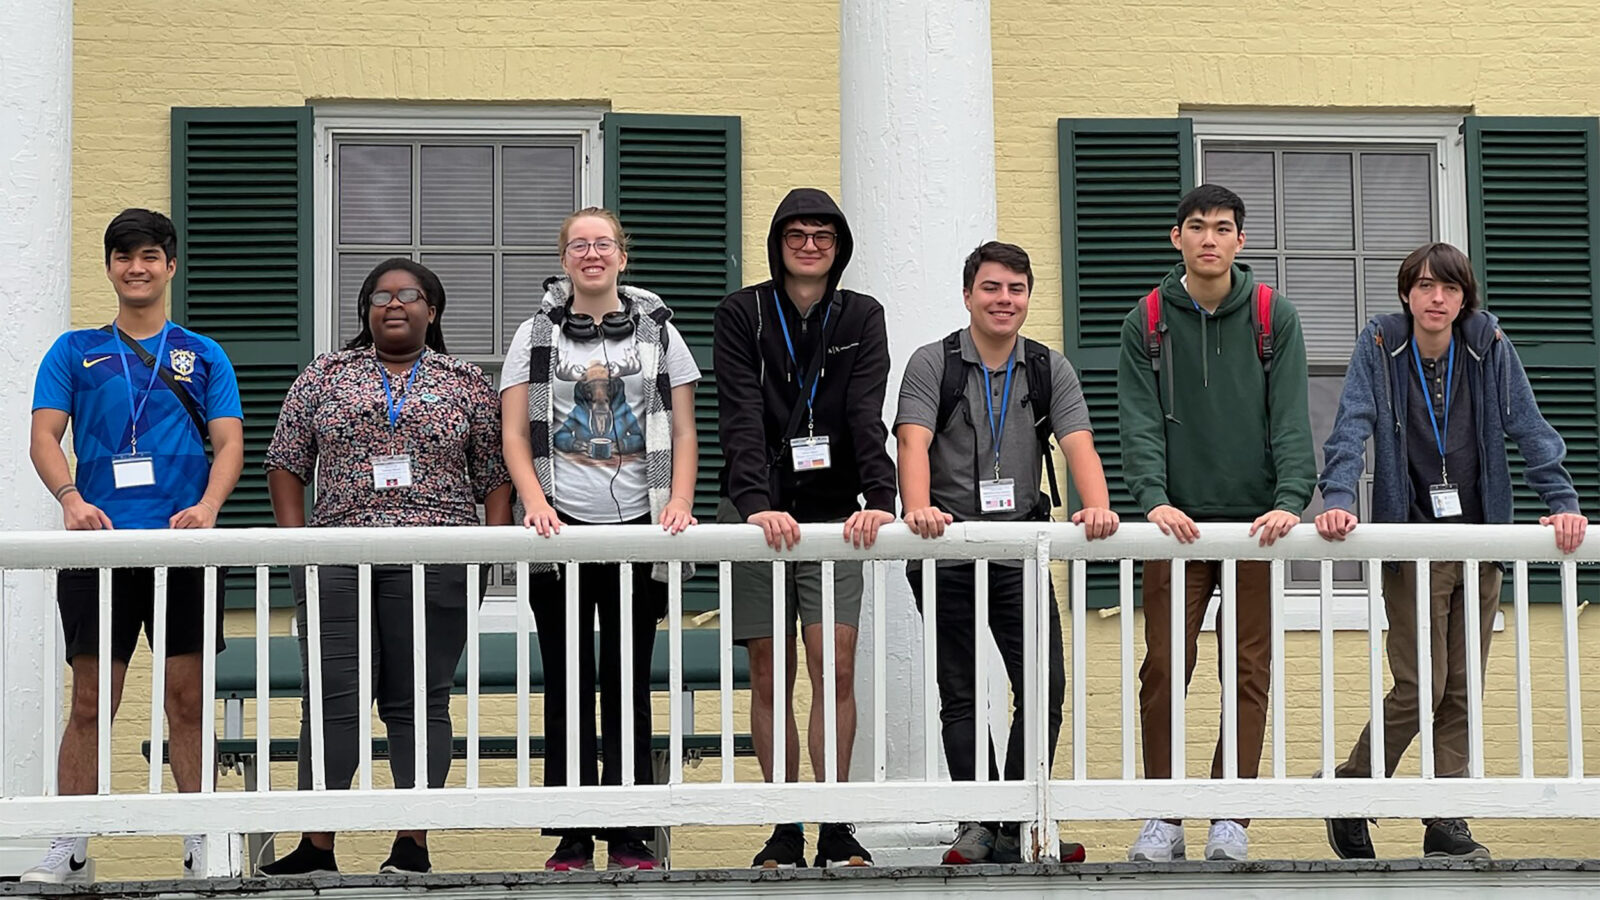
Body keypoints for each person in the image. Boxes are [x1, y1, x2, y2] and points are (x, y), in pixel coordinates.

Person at [1316, 242, 1588, 861]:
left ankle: (1446, 818)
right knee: (1423, 684)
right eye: (1425, 287)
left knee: (1463, 687)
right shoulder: (1381, 345)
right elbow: (1352, 423)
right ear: (1407, 293)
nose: (1437, 299)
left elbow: (1530, 427)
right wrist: (1338, 497)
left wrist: (1564, 503)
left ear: (1464, 298)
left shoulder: (1488, 345)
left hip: (1480, 542)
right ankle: (1353, 789)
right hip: (1412, 541)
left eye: (1450, 288)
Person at [259, 258, 511, 876]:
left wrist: (490, 550)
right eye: (380, 295)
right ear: (365, 310)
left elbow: (495, 477)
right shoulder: (325, 375)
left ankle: (411, 843)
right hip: (337, 554)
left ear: (433, 309)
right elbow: (285, 462)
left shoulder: (466, 381)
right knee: (331, 700)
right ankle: (317, 846)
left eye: (409, 295)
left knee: (419, 699)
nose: (393, 304)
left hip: (439, 555)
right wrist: (301, 550)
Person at [24, 209, 244, 884]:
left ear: (170, 266)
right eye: (124, 257)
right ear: (111, 267)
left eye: (150, 255)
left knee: (185, 699)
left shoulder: (202, 354)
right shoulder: (73, 350)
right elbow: (44, 436)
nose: (137, 267)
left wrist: (207, 508)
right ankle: (70, 842)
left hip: (182, 548)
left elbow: (230, 442)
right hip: (99, 546)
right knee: (92, 699)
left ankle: (200, 836)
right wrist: (69, 499)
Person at [896, 240, 1118, 865]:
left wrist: (1095, 504)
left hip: (1020, 549)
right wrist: (917, 508)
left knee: (1044, 685)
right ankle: (980, 822)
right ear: (968, 295)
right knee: (961, 691)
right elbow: (911, 444)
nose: (1004, 300)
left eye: (1016, 289)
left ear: (1027, 298)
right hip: (946, 550)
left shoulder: (1049, 367)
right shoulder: (932, 363)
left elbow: (1079, 445)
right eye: (992, 288)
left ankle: (1017, 818)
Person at [1118, 184, 1316, 863]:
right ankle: (1164, 815)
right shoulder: (1146, 319)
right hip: (1176, 527)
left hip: (1256, 526)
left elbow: (1291, 416)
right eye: (1196, 226)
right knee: (1166, 664)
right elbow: (1138, 422)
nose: (1209, 237)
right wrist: (1151, 498)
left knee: (1250, 667)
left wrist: (1292, 498)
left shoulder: (1272, 315)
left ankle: (1231, 812)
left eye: (1223, 227)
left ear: (1240, 240)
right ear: (1176, 238)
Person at [500, 207, 700, 872]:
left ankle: (629, 833)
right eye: (580, 245)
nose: (592, 254)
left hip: (638, 530)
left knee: (625, 678)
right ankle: (572, 831)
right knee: (566, 678)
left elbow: (686, 429)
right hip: (559, 532)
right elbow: (514, 434)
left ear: (622, 256)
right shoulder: (533, 335)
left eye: (603, 244)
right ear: (564, 259)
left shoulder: (661, 332)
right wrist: (533, 504)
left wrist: (677, 502)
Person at [713, 187, 896, 869]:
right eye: (798, 234)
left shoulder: (862, 314)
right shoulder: (742, 312)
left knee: (835, 665)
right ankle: (784, 822)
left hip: (834, 515)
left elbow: (864, 410)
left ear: (839, 245)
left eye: (824, 234)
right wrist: (757, 501)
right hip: (758, 513)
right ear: (779, 242)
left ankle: (835, 822)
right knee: (771, 670)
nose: (811, 244)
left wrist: (879, 497)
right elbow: (737, 412)